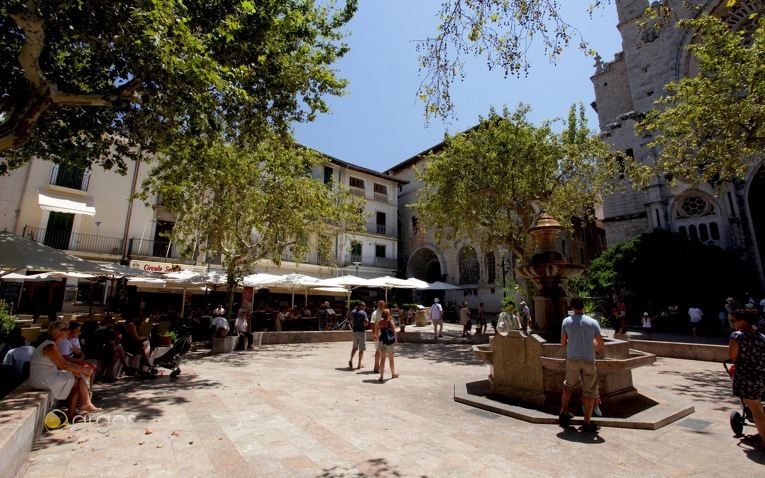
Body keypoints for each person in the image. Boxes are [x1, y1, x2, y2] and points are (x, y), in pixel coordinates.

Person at [29, 321, 99, 422]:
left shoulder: (51, 344)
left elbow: (65, 363)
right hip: (43, 379)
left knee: (81, 374)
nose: (69, 331)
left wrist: (81, 369)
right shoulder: (52, 347)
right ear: (57, 332)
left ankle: (83, 404)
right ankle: (77, 408)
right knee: (78, 379)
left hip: (45, 376)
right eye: (65, 329)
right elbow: (64, 365)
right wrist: (83, 369)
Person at [559, 297, 605, 433]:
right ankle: (586, 422)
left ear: (571, 307)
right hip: (588, 360)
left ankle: (564, 412)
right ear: (584, 306)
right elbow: (600, 344)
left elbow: (562, 343)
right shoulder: (593, 322)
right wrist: (592, 344)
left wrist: (573, 343)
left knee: (568, 385)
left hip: (572, 359)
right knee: (590, 390)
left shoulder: (566, 321)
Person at [728, 309, 765, 448]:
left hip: (745, 377)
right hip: (760, 376)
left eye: (733, 321)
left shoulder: (737, 336)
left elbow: (733, 355)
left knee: (756, 409)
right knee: (757, 405)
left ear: (742, 322)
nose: (732, 324)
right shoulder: (761, 337)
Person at [377, 308, 399, 381]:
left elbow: (377, 331)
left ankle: (381, 376)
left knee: (382, 359)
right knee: (391, 359)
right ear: (388, 314)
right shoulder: (390, 322)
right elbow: (394, 332)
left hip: (381, 341)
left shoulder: (380, 322)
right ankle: (393, 374)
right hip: (389, 342)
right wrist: (395, 341)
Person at [348, 301, 368, 369]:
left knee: (354, 347)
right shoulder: (363, 313)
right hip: (361, 332)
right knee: (361, 349)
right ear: (361, 306)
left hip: (354, 332)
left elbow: (350, 321)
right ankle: (359, 364)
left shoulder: (352, 312)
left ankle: (351, 359)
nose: (365, 307)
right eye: (364, 306)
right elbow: (365, 323)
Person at [370, 300, 385, 373]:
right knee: (378, 350)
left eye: (382, 304)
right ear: (378, 305)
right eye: (380, 304)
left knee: (381, 350)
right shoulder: (375, 313)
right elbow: (372, 323)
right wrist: (374, 334)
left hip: (384, 334)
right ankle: (376, 367)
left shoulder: (385, 312)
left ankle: (378, 366)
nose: (381, 306)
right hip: (378, 333)